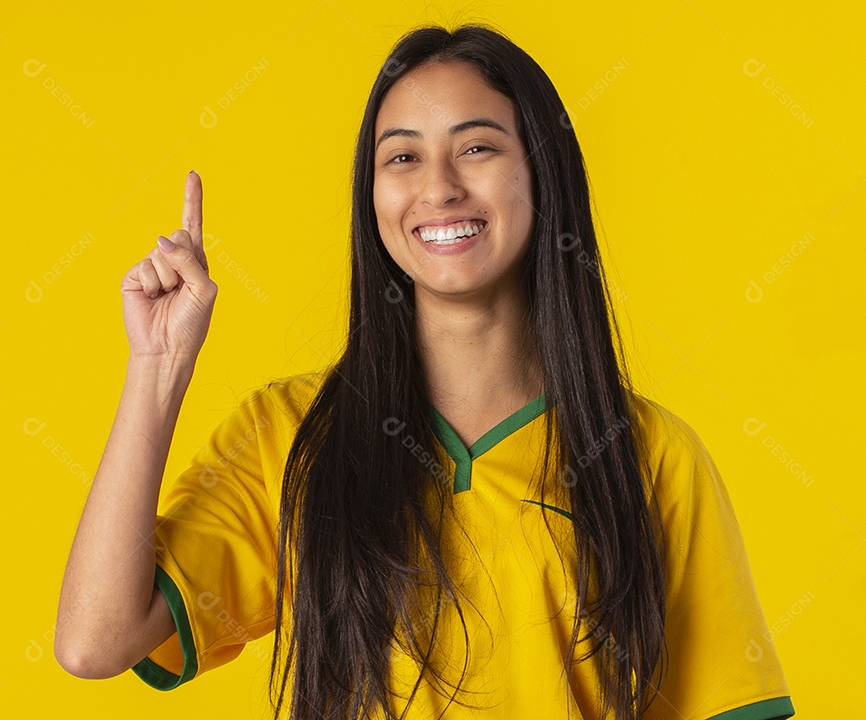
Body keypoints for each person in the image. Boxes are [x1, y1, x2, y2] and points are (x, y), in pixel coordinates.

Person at [54, 23, 795, 720]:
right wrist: (158, 367)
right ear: (371, 195)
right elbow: (95, 642)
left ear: (543, 172)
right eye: (402, 156)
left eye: (477, 148)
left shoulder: (649, 456)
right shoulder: (289, 436)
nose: (438, 188)